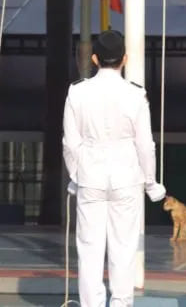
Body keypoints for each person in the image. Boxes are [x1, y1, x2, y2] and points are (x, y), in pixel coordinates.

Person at [62, 30, 166, 307]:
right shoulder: (135, 94)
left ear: (94, 59)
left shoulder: (77, 91)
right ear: (125, 59)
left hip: (90, 178)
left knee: (90, 250)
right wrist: (151, 182)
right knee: (123, 249)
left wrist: (75, 176)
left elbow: (70, 143)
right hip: (126, 178)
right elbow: (146, 145)